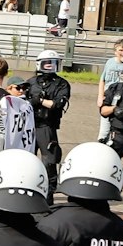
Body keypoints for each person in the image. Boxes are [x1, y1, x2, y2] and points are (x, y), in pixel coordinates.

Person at [27, 49, 71, 182]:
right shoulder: (31, 82)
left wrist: (39, 101)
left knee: (49, 161)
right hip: (29, 125)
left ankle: (49, 192)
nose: (50, 65)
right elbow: (21, 99)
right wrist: (32, 100)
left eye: (53, 63)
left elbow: (57, 104)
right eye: (47, 63)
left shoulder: (62, 84)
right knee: (28, 160)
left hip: (47, 126)